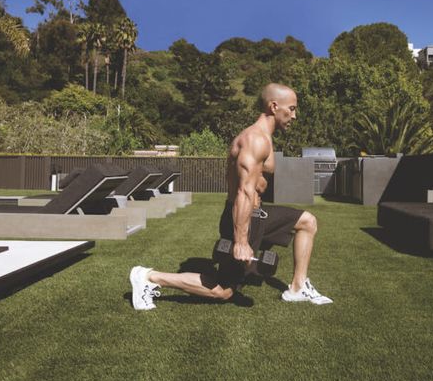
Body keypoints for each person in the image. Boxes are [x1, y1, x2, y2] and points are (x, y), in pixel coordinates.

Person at [129, 83, 332, 310]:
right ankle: (148, 277)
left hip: (259, 213)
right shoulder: (255, 140)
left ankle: (298, 287)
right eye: (292, 108)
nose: (295, 115)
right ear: (274, 106)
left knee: (307, 221)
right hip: (243, 216)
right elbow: (244, 191)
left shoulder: (263, 137)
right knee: (223, 291)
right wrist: (241, 241)